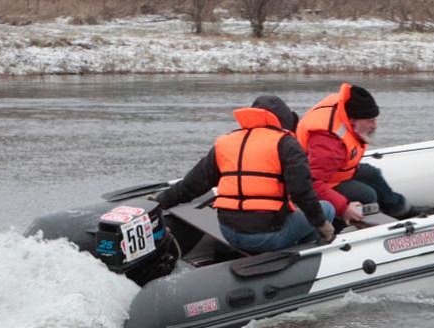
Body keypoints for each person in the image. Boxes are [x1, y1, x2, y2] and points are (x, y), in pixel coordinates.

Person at [152, 96, 335, 254]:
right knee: (327, 208)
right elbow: (302, 192)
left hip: (228, 232)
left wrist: (160, 201)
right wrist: (322, 225)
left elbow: (192, 185)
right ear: (286, 122)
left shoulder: (227, 142)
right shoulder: (287, 144)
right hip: (265, 237)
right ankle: (298, 256)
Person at [296, 83, 415, 226]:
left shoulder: (345, 110)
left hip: (335, 171)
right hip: (318, 181)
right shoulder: (330, 144)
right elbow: (311, 182)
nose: (375, 125)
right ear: (352, 120)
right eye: (370, 121)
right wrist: (343, 207)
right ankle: (346, 227)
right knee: (367, 194)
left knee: (372, 173)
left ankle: (400, 209)